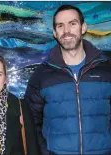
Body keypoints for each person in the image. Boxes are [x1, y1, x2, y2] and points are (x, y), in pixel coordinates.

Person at [24, 4, 111, 155]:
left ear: (83, 27)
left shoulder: (106, 70)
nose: (66, 31)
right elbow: (31, 123)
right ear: (54, 33)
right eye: (60, 25)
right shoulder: (41, 75)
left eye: (72, 23)